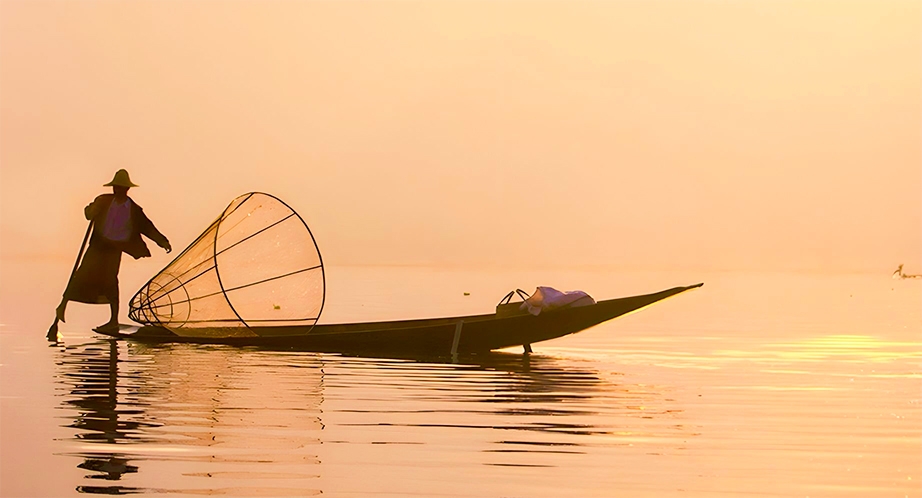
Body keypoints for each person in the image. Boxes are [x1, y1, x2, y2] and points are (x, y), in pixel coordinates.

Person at [52, 169, 171, 335]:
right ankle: (62, 307)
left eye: (121, 187)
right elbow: (88, 213)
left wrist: (162, 241)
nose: (117, 190)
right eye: (116, 187)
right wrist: (90, 210)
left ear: (127, 189)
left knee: (111, 282)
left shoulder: (134, 210)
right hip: (98, 245)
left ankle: (113, 320)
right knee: (81, 274)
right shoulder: (103, 201)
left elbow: (147, 227)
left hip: (115, 248)